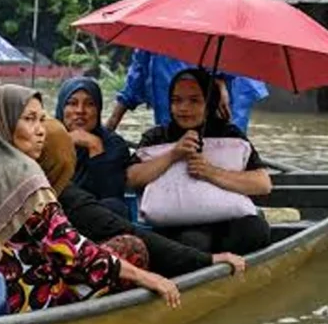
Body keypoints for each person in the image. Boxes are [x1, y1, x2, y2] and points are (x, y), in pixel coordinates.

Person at [0, 84, 181, 314]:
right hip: (16, 297)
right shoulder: (24, 173)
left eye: (42, 120)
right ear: (3, 123)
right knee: (130, 248)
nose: (40, 131)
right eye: (29, 120)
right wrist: (147, 277)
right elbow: (72, 250)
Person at [106, 0, 268, 133]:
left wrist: (219, 81)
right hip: (174, 102)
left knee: (220, 151)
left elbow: (214, 29)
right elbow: (140, 64)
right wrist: (111, 123)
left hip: (211, 96)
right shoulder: (154, 1)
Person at [37, 116, 247, 278]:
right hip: (42, 275)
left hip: (101, 220)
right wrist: (148, 278)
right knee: (132, 246)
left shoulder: (111, 146)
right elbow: (112, 226)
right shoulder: (58, 195)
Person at [126, 68, 272, 255]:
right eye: (176, 100)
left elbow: (263, 184)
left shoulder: (229, 135)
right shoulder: (157, 137)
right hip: (176, 223)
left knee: (256, 230)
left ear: (210, 103)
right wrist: (173, 154)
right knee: (193, 242)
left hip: (226, 222)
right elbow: (130, 178)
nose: (183, 108)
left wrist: (210, 172)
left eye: (194, 101)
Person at [56, 77, 132, 216]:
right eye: (72, 103)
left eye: (90, 104)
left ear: (98, 109)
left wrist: (95, 147)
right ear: (61, 108)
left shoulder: (113, 144)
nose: (80, 110)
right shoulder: (46, 140)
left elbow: (111, 195)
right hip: (55, 218)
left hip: (93, 220)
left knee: (114, 206)